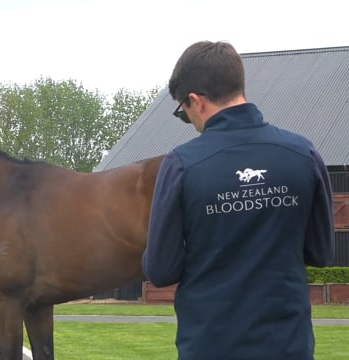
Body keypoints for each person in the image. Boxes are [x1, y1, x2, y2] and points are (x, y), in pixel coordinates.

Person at [142, 41, 335, 360]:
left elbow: (161, 270)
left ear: (195, 101)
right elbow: (321, 252)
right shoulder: (303, 154)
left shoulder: (181, 165)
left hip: (211, 345)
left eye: (183, 114)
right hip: (287, 345)